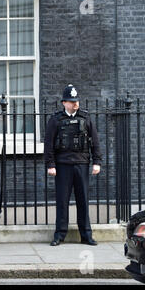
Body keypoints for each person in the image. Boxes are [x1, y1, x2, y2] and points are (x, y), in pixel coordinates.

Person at [44, 84, 102, 246]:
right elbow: (48, 144)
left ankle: (86, 235)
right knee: (62, 201)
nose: (75, 103)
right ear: (64, 103)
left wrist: (97, 162)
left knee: (83, 200)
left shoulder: (85, 118)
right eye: (71, 101)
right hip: (62, 166)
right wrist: (50, 164)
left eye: (76, 101)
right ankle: (59, 235)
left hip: (82, 164)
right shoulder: (56, 120)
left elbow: (95, 142)